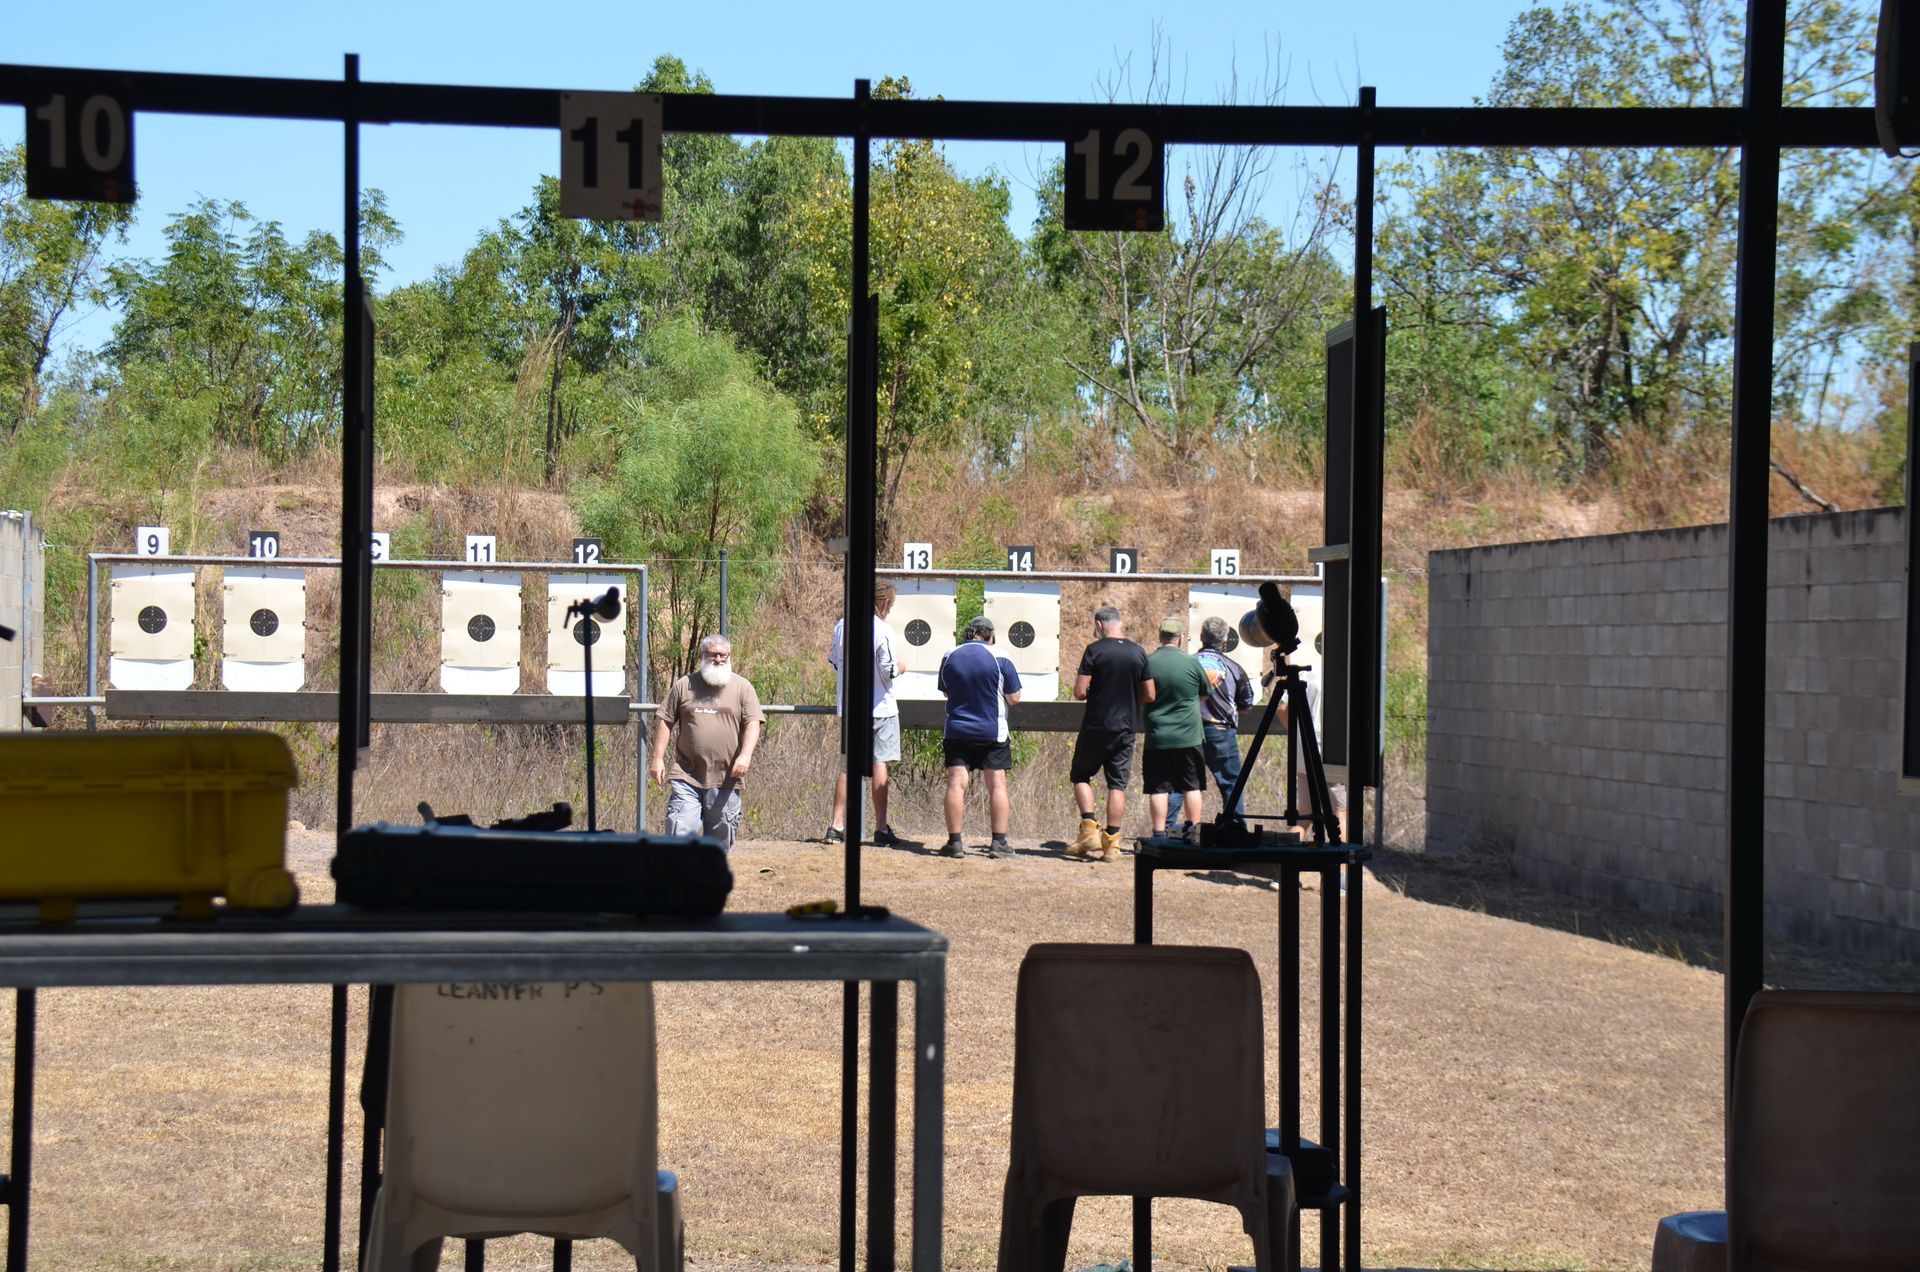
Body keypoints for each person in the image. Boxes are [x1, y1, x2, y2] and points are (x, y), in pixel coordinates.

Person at [649, 634, 763, 852]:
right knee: (680, 834)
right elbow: (666, 720)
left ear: (729, 657)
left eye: (723, 655)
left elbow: (753, 722)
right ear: (702, 656)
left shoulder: (742, 687)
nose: (718, 659)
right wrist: (658, 759)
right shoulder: (685, 685)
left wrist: (745, 756)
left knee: (718, 847)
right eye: (713, 655)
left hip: (727, 778)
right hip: (687, 775)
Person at [1068, 605, 1152, 862]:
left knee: (1081, 775)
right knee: (1117, 784)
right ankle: (1112, 845)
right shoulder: (1138, 652)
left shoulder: (1094, 650)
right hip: (1125, 728)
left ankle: (1089, 830)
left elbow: (1080, 691)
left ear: (1100, 625)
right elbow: (1150, 694)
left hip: (1096, 725)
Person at [936, 614, 1022, 859]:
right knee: (996, 784)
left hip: (957, 729)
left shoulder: (949, 655)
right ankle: (999, 842)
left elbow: (945, 691)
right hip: (992, 731)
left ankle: (954, 843)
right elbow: (1014, 698)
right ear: (990, 635)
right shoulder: (1001, 656)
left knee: (956, 783)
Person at [825, 581, 902, 847]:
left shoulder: (841, 625)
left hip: (850, 708)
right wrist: (902, 667)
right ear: (882, 604)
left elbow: (834, 662)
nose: (889, 610)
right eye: (889, 605)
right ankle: (880, 828)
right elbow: (888, 670)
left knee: (848, 767)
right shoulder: (883, 630)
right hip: (880, 707)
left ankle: (836, 826)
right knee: (879, 763)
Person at [1143, 615, 1208, 839]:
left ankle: (1159, 833)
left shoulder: (1148, 662)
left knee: (1158, 788)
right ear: (1180, 638)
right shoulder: (1191, 662)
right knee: (1192, 785)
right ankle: (1194, 831)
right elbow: (1204, 693)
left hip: (1158, 735)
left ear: (1160, 636)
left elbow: (1142, 694)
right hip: (1189, 735)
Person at [1195, 616, 1256, 819]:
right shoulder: (1234, 667)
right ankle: (1236, 831)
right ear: (1225, 641)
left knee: (1184, 786)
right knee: (1231, 784)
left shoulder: (1188, 664)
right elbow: (1246, 707)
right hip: (1221, 732)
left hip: (1189, 731)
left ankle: (1170, 833)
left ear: (1201, 637)